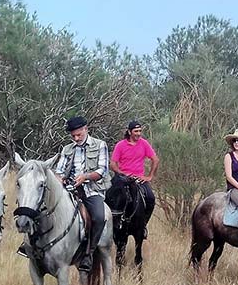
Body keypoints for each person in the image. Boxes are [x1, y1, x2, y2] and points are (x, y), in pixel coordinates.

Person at [54, 116, 111, 273]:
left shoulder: (100, 145)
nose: (76, 138)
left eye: (78, 134)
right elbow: (59, 171)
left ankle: (89, 253)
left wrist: (85, 177)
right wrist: (60, 180)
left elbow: (102, 170)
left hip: (92, 189)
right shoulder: (67, 149)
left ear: (86, 129)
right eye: (73, 136)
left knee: (99, 217)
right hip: (69, 188)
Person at [110, 120, 159, 236]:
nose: (138, 133)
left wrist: (149, 176)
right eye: (136, 131)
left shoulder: (144, 143)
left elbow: (155, 159)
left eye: (140, 131)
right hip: (122, 178)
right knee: (110, 196)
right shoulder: (120, 145)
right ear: (129, 132)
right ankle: (110, 225)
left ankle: (143, 226)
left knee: (151, 198)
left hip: (138, 179)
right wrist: (122, 173)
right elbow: (113, 164)